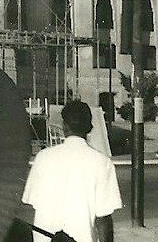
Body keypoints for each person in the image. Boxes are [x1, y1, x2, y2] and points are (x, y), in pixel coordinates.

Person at [22, 100, 122, 242]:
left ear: (64, 126)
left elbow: (34, 204)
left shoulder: (42, 158)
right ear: (90, 127)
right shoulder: (102, 163)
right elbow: (103, 219)